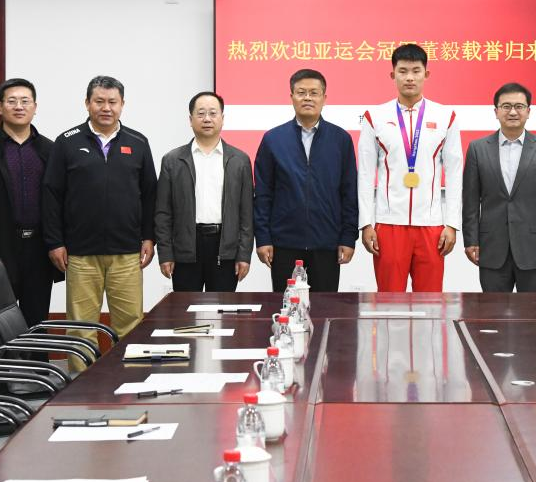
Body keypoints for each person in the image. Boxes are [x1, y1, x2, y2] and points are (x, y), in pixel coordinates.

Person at [43, 75, 156, 368]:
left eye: (112, 102)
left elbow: (149, 195)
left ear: (122, 105)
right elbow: (52, 195)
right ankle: (82, 385)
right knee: (81, 327)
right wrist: (55, 242)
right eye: (99, 101)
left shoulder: (138, 142)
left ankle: (128, 382)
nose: (106, 108)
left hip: (126, 253)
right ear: (87, 103)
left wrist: (149, 237)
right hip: (80, 253)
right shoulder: (67, 142)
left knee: (130, 325)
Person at [358, 43, 463, 292]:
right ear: (392, 74)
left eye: (416, 71)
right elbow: (365, 174)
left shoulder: (446, 116)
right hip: (388, 224)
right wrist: (366, 224)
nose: (409, 78)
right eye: (403, 71)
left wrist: (451, 224)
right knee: (389, 300)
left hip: (431, 225)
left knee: (430, 302)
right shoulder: (375, 116)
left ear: (426, 74)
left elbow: (455, 173)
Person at [0, 78, 61, 327]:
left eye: (25, 101)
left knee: (37, 323)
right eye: (12, 101)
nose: (19, 106)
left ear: (35, 107)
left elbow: (59, 201)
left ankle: (37, 356)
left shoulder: (50, 151)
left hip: (39, 249)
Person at [254, 69, 358, 292]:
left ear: (324, 98)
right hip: (284, 242)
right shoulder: (273, 139)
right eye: (301, 92)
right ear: (291, 97)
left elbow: (349, 192)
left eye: (314, 93)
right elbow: (263, 194)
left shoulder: (341, 139)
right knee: (287, 307)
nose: (308, 98)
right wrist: (262, 238)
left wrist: (348, 237)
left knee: (325, 307)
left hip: (327, 243)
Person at [461, 82, 536, 291]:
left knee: (533, 310)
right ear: (496, 111)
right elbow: (470, 200)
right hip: (491, 247)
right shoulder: (478, 149)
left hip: (535, 249)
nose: (513, 112)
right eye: (506, 106)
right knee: (493, 309)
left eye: (519, 106)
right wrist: (470, 240)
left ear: (528, 111)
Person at [155, 92, 253, 292]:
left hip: (225, 248)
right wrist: (165, 253)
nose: (207, 119)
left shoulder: (239, 160)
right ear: (190, 119)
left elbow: (247, 213)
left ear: (222, 118)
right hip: (185, 248)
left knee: (222, 308)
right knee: (186, 308)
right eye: (201, 113)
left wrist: (244, 254)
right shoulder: (172, 161)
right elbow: (163, 212)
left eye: (213, 113)